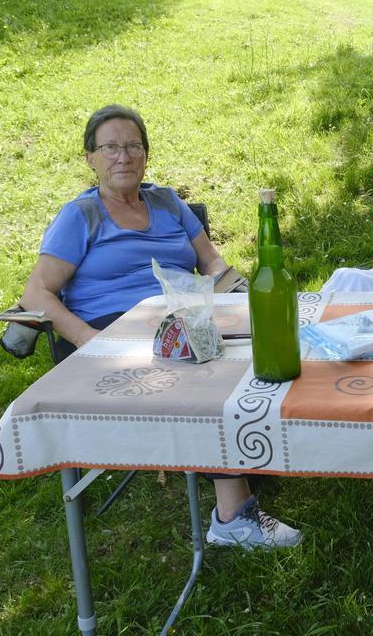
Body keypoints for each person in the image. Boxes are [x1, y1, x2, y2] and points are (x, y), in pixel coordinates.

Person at [20, 104, 301, 550]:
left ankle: (251, 453)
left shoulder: (168, 202)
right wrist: (91, 342)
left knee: (272, 344)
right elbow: (36, 295)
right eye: (110, 147)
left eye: (133, 145)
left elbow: (210, 262)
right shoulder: (81, 217)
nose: (123, 157)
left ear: (146, 154)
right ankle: (232, 516)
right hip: (113, 331)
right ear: (90, 158)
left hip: (186, 320)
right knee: (206, 383)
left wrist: (243, 301)